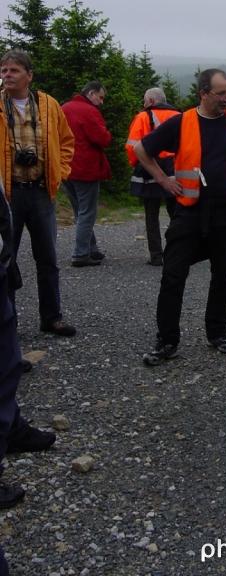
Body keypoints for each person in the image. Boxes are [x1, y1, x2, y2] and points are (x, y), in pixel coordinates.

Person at [134, 68, 226, 365]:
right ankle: (167, 341)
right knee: (173, 276)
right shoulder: (181, 122)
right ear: (203, 94)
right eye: (221, 93)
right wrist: (163, 180)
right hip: (189, 213)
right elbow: (142, 150)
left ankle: (217, 333)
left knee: (221, 276)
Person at [0, 176, 56, 576]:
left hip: (35, 191)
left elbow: (62, 143)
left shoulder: (46, 108)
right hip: (13, 192)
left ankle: (11, 427)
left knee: (7, 360)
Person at [0, 50, 75, 337]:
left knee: (48, 259)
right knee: (6, 261)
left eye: (14, 71)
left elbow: (67, 141)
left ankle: (52, 318)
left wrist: (61, 171)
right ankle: (8, 325)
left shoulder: (48, 105)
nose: (8, 75)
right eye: (4, 70)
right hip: (7, 196)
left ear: (29, 75)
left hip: (41, 192)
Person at [125, 87, 180, 266]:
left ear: (151, 101)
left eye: (144, 100)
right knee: (177, 213)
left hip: (150, 168)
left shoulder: (142, 117)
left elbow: (132, 146)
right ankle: (178, 251)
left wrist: (136, 164)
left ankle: (156, 256)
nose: (143, 104)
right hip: (176, 168)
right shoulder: (181, 117)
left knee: (151, 214)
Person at [62, 82, 111, 267]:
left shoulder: (64, 108)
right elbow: (102, 138)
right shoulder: (89, 111)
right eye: (100, 97)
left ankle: (91, 248)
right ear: (91, 93)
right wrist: (107, 134)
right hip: (86, 169)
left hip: (66, 168)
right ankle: (80, 254)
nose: (101, 102)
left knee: (79, 211)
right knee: (87, 212)